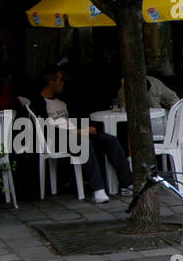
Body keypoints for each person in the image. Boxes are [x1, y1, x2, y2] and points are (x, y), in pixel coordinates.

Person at [36, 67, 133, 203]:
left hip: (73, 133)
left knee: (109, 140)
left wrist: (84, 129)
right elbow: (47, 130)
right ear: (51, 83)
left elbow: (69, 123)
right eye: (60, 80)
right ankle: (98, 189)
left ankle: (127, 183)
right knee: (84, 143)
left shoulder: (61, 101)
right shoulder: (39, 103)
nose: (63, 83)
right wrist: (78, 132)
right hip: (55, 140)